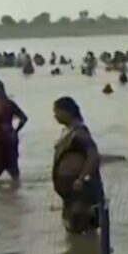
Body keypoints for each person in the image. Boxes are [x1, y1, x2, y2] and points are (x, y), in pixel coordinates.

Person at [52, 97, 104, 234]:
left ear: (67, 112)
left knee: (85, 229)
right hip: (71, 192)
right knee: (73, 229)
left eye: (57, 112)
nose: (55, 116)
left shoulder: (79, 133)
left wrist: (82, 178)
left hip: (81, 190)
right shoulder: (68, 131)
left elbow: (93, 156)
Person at [0, 81, 28, 181]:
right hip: (0, 139)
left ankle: (14, 192)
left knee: (11, 168)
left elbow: (24, 118)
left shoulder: (8, 104)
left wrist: (16, 131)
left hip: (7, 139)